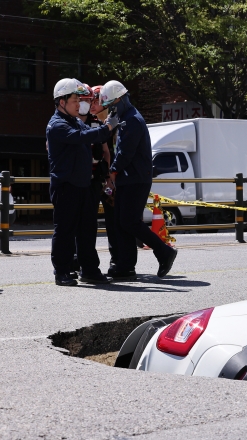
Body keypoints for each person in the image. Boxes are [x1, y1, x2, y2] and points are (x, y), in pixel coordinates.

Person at [100, 80, 178, 279]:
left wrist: (113, 172)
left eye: (112, 105)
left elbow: (125, 153)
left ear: (120, 99)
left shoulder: (132, 120)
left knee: (130, 222)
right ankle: (125, 266)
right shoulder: (125, 117)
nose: (111, 110)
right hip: (129, 178)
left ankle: (164, 252)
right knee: (121, 222)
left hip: (135, 179)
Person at [47, 78, 119, 286]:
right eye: (74, 100)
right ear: (61, 102)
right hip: (66, 186)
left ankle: (89, 270)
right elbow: (80, 136)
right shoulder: (57, 125)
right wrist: (106, 129)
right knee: (65, 230)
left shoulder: (74, 121)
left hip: (84, 185)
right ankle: (62, 271)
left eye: (79, 99)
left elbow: (87, 133)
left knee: (87, 230)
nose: (79, 104)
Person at [87, 85, 119, 265]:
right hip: (93, 178)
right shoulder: (85, 121)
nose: (93, 103)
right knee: (88, 221)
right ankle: (85, 261)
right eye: (90, 99)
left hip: (111, 178)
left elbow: (112, 152)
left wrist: (111, 177)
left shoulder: (115, 122)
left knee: (113, 220)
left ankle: (116, 260)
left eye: (97, 99)